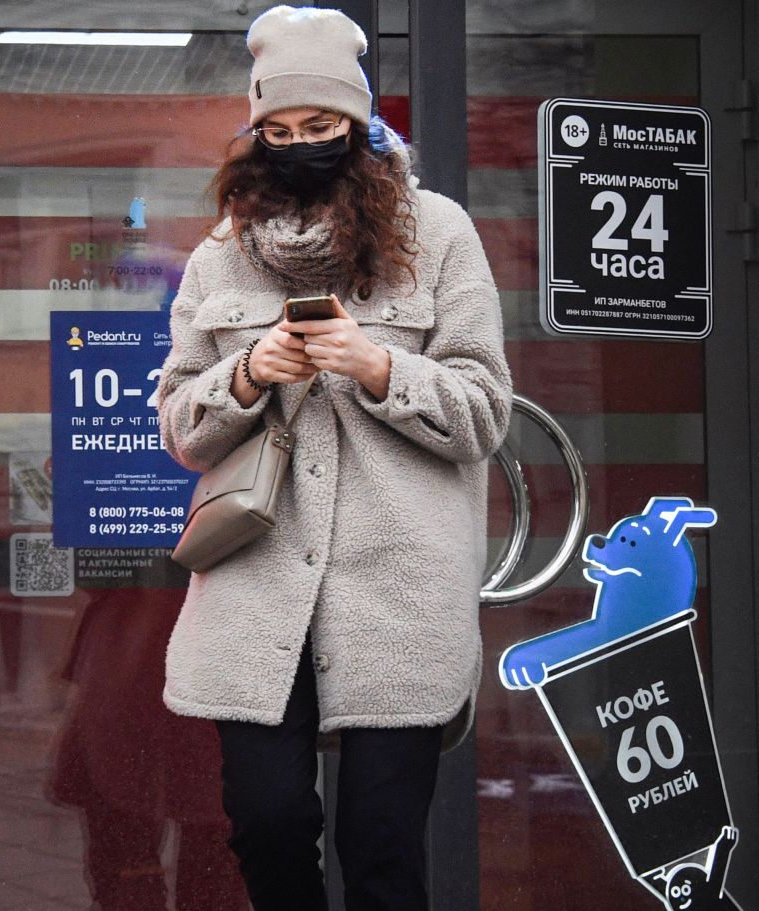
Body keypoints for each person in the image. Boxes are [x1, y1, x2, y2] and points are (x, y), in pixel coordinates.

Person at [155, 6, 513, 910]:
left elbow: (485, 413)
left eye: (320, 130)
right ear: (255, 135)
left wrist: (378, 365)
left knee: (382, 842)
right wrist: (246, 375)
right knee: (266, 816)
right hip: (258, 580)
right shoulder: (218, 257)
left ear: (359, 127)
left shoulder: (439, 234)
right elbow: (180, 426)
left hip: (397, 584)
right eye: (278, 131)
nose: (300, 146)